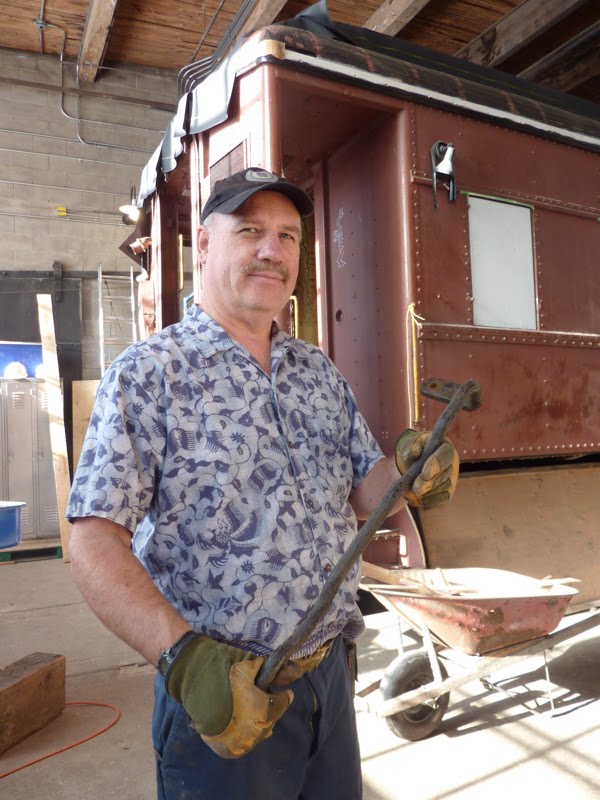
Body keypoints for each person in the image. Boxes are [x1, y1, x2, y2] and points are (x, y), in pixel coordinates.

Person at [67, 167, 459, 799]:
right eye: (250, 231)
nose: (273, 250)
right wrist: (185, 660)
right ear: (205, 243)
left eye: (288, 235)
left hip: (331, 679)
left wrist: (409, 472)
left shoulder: (316, 371)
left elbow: (363, 490)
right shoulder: (150, 374)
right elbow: (92, 540)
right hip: (225, 700)